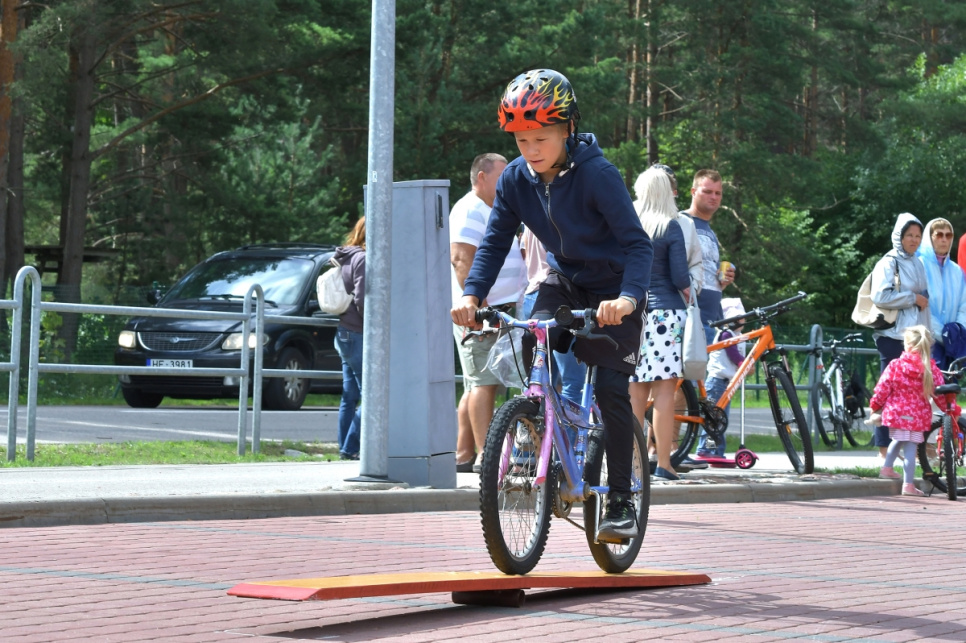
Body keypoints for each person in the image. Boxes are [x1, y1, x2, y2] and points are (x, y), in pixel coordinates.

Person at [451, 68, 653, 541]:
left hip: (615, 290)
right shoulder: (515, 179)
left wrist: (628, 299)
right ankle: (542, 426)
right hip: (564, 282)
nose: (531, 149)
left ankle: (620, 503)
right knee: (531, 337)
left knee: (611, 391)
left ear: (568, 128)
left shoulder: (598, 175)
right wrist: (471, 295)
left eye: (541, 138)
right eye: (521, 140)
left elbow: (637, 245)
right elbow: (494, 242)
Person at [450, 153, 527, 474]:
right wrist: (478, 309)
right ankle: (487, 456)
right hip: (482, 315)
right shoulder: (470, 209)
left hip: (501, 312)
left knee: (477, 384)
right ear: (481, 177)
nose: (508, 182)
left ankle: (464, 453)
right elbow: (461, 260)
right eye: (501, 176)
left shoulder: (494, 208)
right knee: (484, 383)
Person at [628, 167, 690, 481]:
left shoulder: (628, 225)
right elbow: (680, 277)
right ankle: (664, 463)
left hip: (632, 312)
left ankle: (631, 465)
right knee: (665, 390)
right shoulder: (670, 226)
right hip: (666, 314)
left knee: (635, 390)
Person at [869, 325, 958, 496]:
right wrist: (950, 409)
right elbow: (939, 394)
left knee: (897, 440)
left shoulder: (895, 365)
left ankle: (887, 468)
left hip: (897, 412)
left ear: (906, 344)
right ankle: (908, 485)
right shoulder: (930, 369)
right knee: (910, 448)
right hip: (918, 415)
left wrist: (875, 406)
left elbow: (882, 388)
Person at [870, 212, 930, 458]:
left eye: (918, 235)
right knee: (888, 391)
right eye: (909, 235)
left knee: (912, 395)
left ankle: (907, 446)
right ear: (899, 236)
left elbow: (924, 302)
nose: (914, 240)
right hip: (892, 336)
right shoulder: (888, 262)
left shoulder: (918, 263)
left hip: (913, 339)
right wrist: (911, 298)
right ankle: (883, 449)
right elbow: (880, 296)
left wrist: (926, 337)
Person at [520, 226, 586, 403]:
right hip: (557, 294)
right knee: (572, 380)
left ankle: (534, 418)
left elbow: (524, 253)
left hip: (532, 294)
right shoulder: (557, 217)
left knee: (539, 379)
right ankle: (563, 424)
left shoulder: (528, 219)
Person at [681, 169, 735, 345]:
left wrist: (724, 278)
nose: (714, 197)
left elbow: (707, 270)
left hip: (710, 319)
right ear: (693, 191)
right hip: (688, 317)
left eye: (718, 193)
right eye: (707, 191)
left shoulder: (709, 230)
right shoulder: (681, 221)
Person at [331, 217, 366, 460]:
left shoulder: (348, 256)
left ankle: (345, 448)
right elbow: (362, 299)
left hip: (344, 332)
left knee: (350, 396)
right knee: (372, 396)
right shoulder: (362, 258)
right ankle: (351, 447)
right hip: (357, 332)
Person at [695, 297, 747, 458]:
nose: (742, 321)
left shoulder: (739, 335)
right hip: (717, 382)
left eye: (742, 317)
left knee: (720, 419)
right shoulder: (726, 334)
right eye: (738, 318)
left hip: (726, 383)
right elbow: (733, 353)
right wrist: (743, 363)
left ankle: (717, 451)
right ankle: (706, 449)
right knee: (714, 418)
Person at [916, 218, 966, 369]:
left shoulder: (957, 271)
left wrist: (956, 331)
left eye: (948, 235)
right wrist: (943, 334)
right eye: (939, 235)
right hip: (927, 342)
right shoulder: (918, 266)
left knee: (951, 383)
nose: (944, 239)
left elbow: (964, 305)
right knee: (929, 384)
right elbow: (920, 306)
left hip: (954, 344)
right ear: (929, 237)